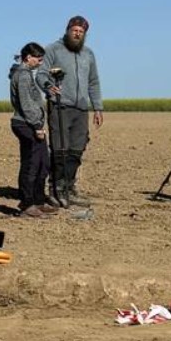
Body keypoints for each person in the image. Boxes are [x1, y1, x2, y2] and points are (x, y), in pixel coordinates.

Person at [41, 16, 103, 207]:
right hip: (60, 106)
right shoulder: (54, 49)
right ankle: (56, 189)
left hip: (81, 108)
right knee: (60, 149)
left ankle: (70, 188)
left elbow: (93, 81)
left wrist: (97, 107)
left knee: (76, 149)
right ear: (68, 30)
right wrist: (48, 88)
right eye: (74, 30)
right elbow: (42, 73)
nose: (77, 34)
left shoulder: (88, 54)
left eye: (81, 32)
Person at [9, 42, 57, 218]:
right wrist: (37, 125)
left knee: (43, 162)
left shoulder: (27, 74)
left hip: (33, 124)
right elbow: (26, 103)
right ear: (28, 57)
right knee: (31, 165)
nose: (40, 62)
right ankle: (27, 205)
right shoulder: (22, 75)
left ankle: (38, 200)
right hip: (25, 124)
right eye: (39, 59)